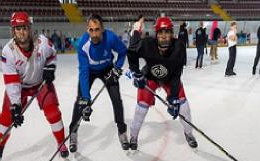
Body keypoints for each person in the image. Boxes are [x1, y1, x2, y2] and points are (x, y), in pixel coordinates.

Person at [0, 12, 69, 161]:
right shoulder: (9, 51)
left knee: (53, 113)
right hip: (20, 87)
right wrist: (15, 106)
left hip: (41, 83)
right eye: (18, 28)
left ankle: (61, 143)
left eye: (24, 27)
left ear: (30, 28)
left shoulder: (42, 42)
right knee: (6, 118)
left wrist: (50, 68)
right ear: (13, 31)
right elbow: (11, 81)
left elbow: (52, 55)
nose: (21, 32)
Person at [127, 16, 198, 150]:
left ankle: (189, 133)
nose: (164, 36)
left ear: (172, 33)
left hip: (170, 79)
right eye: (161, 32)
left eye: (167, 32)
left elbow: (177, 74)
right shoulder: (148, 44)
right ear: (156, 34)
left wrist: (174, 98)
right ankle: (133, 135)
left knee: (184, 107)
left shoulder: (179, 47)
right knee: (141, 107)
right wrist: (136, 73)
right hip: (150, 77)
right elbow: (131, 51)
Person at [68, 14, 128, 153]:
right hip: (90, 71)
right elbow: (83, 72)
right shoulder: (84, 45)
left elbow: (123, 51)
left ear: (103, 29)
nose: (94, 34)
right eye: (91, 30)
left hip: (108, 69)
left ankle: (122, 131)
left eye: (97, 29)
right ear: (87, 29)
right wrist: (86, 99)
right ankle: (73, 132)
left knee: (116, 100)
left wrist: (117, 68)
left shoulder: (110, 37)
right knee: (80, 102)